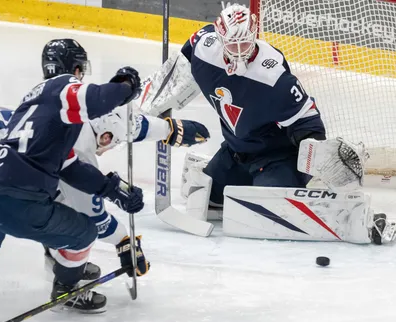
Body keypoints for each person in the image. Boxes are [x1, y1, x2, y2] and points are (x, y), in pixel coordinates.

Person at [0, 39, 210, 311]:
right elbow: (91, 212)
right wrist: (126, 84)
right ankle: (67, 289)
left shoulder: (40, 105)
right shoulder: (69, 100)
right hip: (1, 184)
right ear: (77, 69)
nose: (109, 145)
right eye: (109, 140)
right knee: (80, 231)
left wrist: (168, 131)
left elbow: (111, 135)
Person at [137, 3, 393, 244]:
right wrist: (145, 103)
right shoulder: (205, 47)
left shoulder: (275, 78)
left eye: (245, 43)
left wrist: (315, 156)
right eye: (232, 45)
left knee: (271, 215)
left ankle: (305, 191)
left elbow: (309, 126)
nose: (238, 52)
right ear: (219, 35)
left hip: (275, 158)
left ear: (255, 31)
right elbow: (176, 70)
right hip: (235, 152)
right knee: (206, 198)